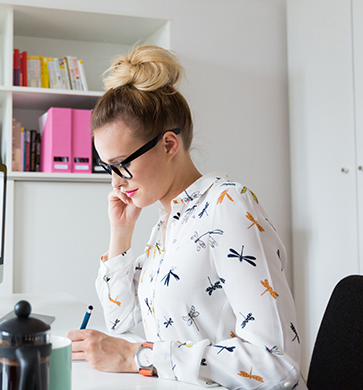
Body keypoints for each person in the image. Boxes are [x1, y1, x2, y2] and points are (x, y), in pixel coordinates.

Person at [65, 45, 306, 389]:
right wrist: (121, 234)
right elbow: (119, 322)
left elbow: (276, 364)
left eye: (123, 165)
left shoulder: (228, 206)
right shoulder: (166, 225)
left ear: (168, 145)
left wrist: (138, 357)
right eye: (108, 169)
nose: (116, 182)